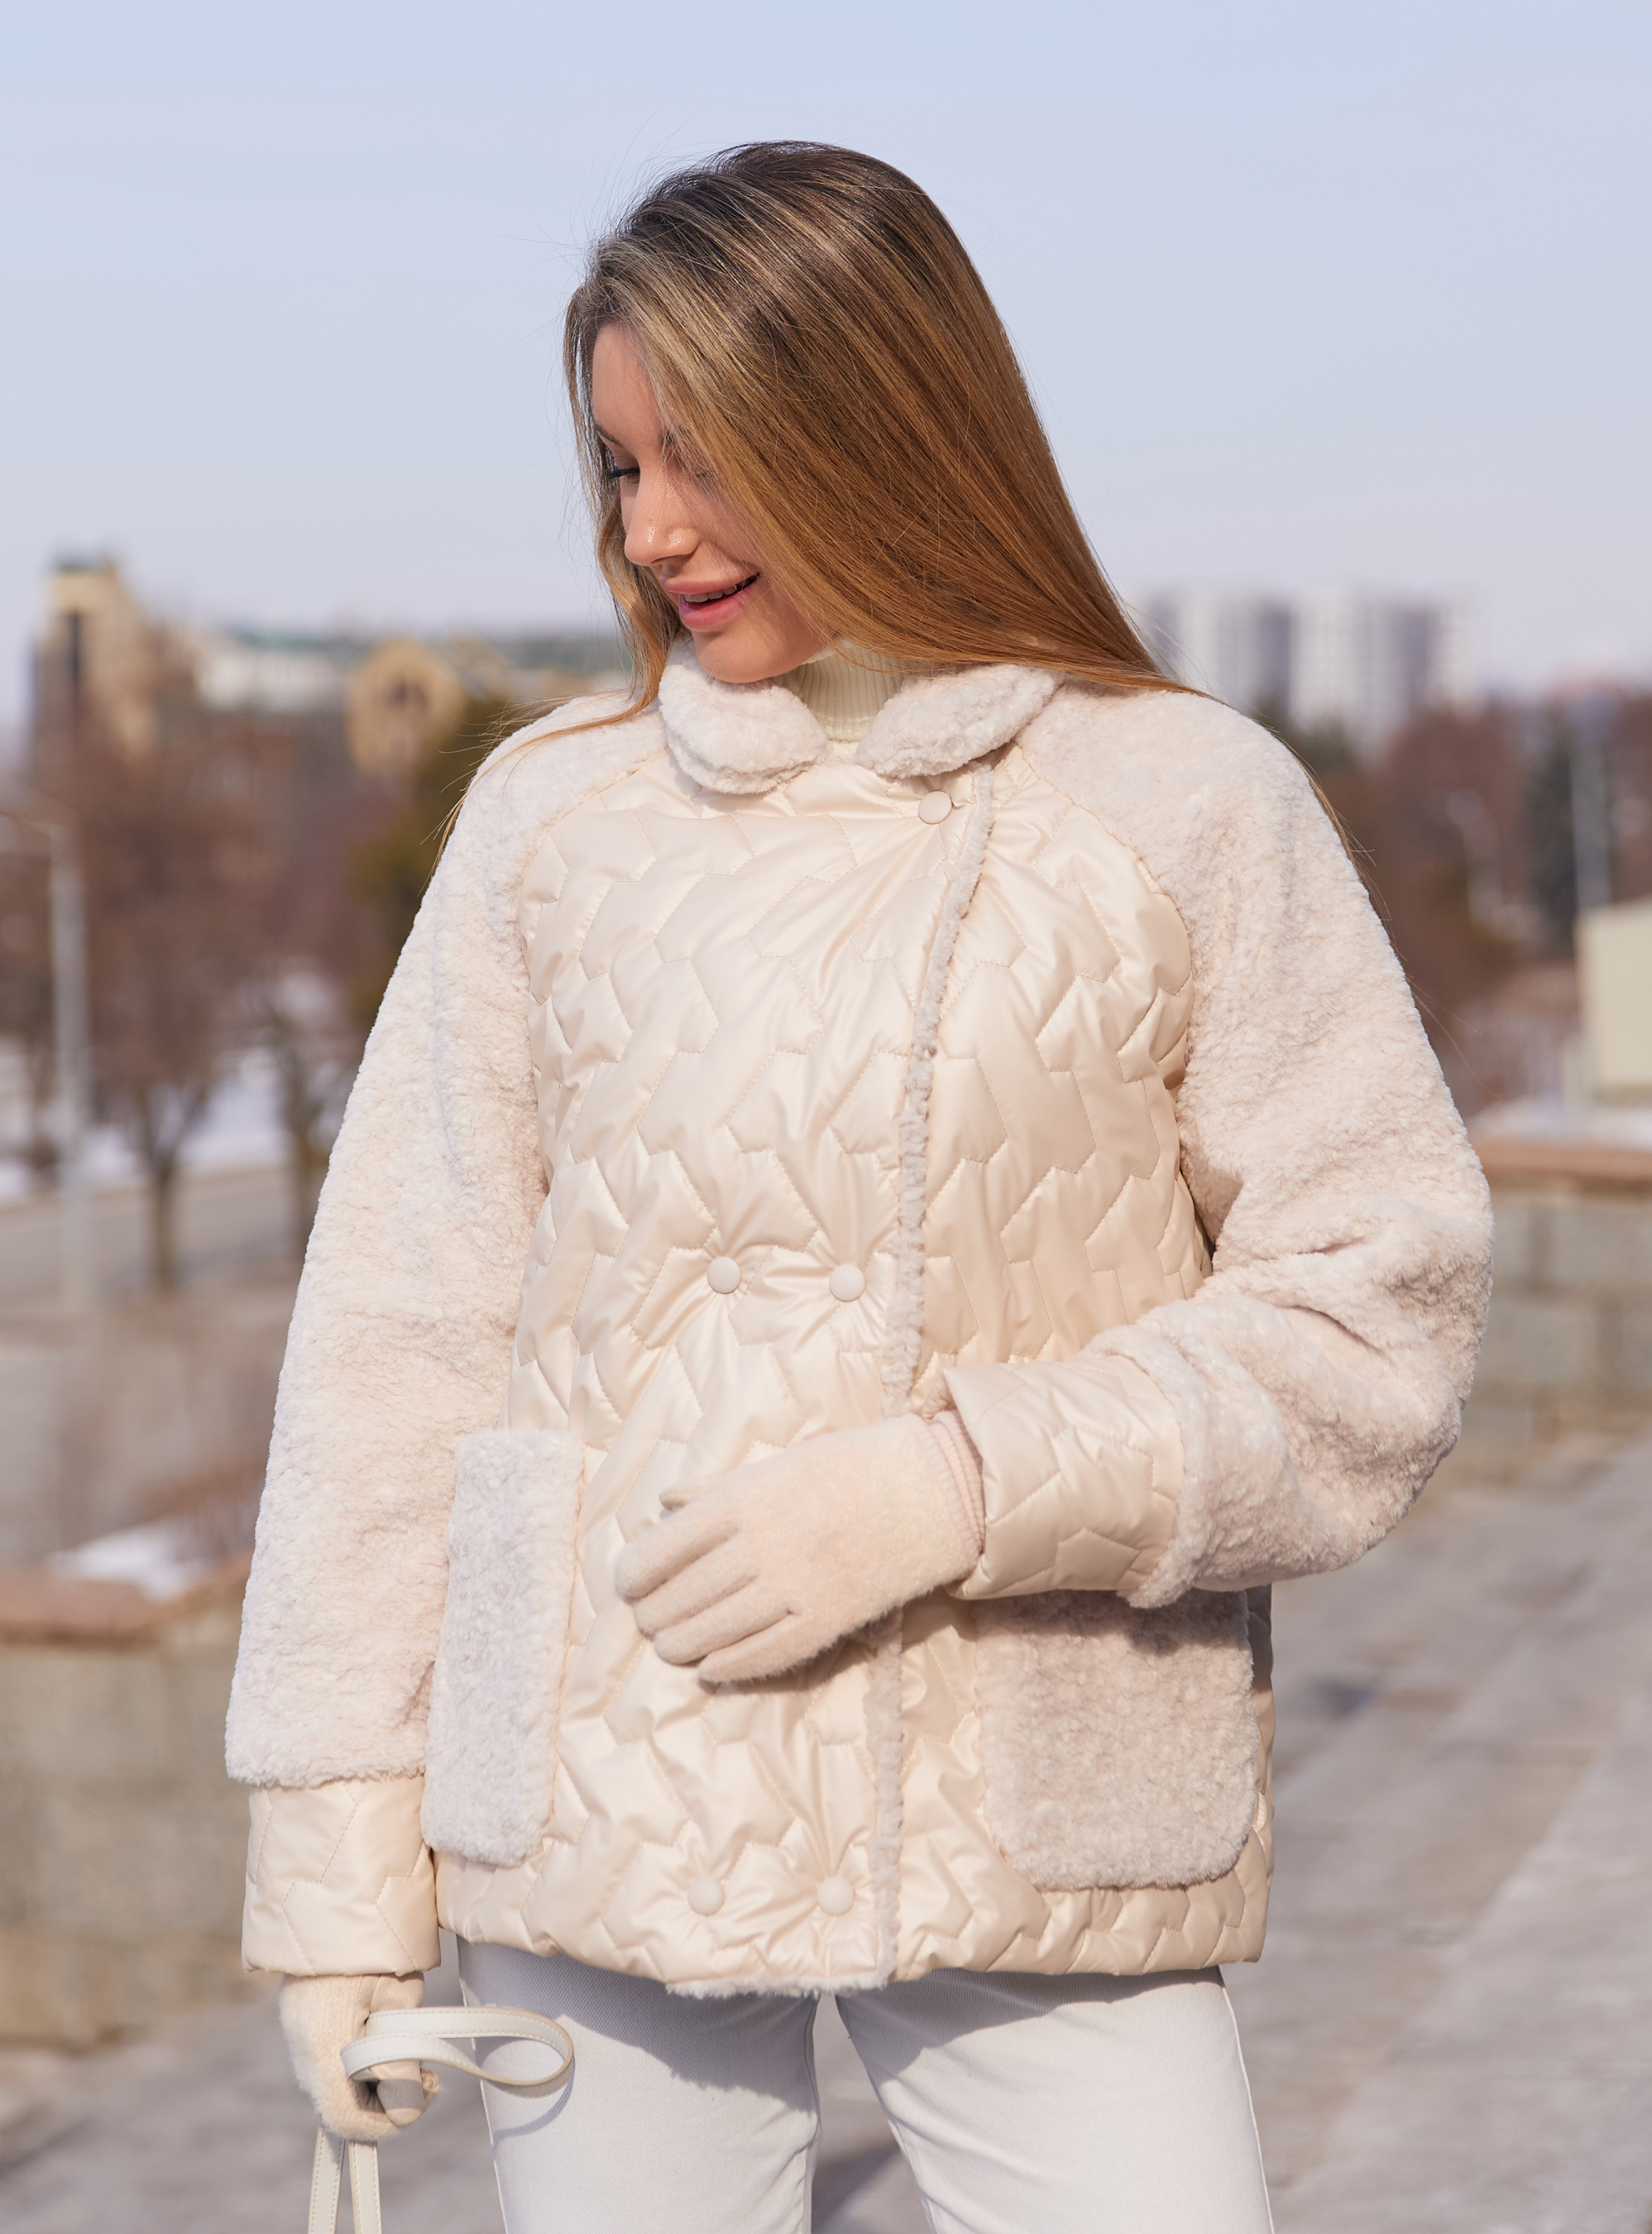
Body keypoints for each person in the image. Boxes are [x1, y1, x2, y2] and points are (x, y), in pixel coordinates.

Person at [227, 142, 1492, 2234]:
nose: (650, 532)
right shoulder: (553, 819)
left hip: (1039, 1788)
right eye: (619, 466)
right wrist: (337, 1870)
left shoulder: (1178, 797)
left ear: (881, 426)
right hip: (600, 1787)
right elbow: (399, 1336)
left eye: (704, 458)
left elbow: (1376, 1311)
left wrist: (954, 1488)